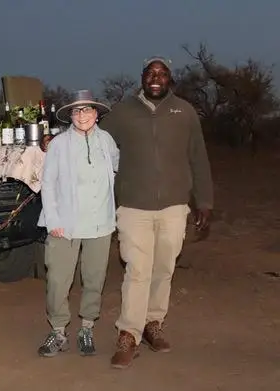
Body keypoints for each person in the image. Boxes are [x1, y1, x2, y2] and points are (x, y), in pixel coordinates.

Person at [99, 56, 213, 369]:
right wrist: (58, 140)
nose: (156, 77)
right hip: (134, 206)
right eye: (151, 72)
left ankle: (153, 324)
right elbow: (96, 141)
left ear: (169, 79)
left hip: (175, 206)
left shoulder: (185, 111)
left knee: (163, 268)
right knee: (138, 270)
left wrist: (204, 200)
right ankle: (128, 334)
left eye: (162, 73)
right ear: (143, 78)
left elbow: (198, 156)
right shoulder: (123, 112)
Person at [36, 90, 119, 358]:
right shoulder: (59, 144)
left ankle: (87, 327)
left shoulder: (107, 140)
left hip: (100, 223)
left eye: (87, 110)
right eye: (77, 111)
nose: (82, 115)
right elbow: (47, 184)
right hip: (65, 224)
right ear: (70, 116)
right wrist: (54, 220)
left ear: (97, 114)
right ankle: (58, 331)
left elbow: (115, 170)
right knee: (59, 280)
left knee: (95, 278)